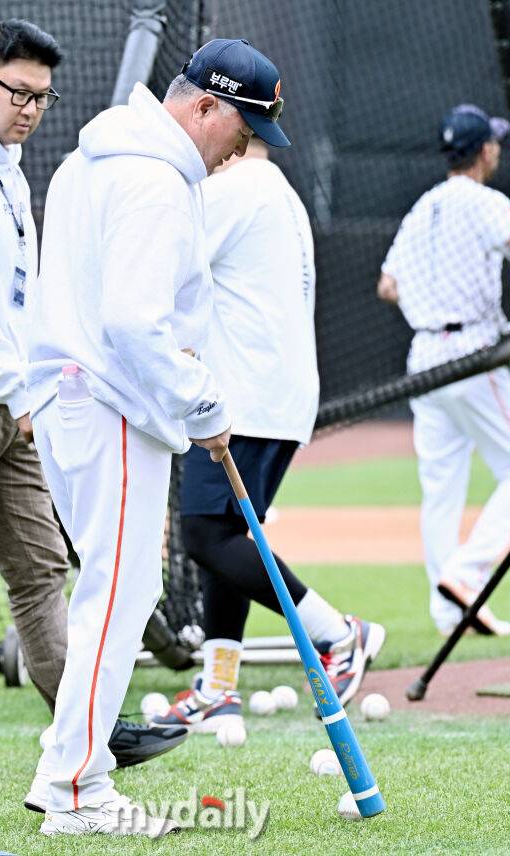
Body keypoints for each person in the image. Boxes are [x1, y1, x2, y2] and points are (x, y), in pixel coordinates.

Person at [0, 18, 184, 786]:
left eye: (43, 98)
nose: (30, 109)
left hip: (8, 402)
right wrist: (22, 390)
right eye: (19, 92)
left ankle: (84, 725)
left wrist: (28, 386)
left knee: (42, 566)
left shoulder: (2, 165)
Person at [25, 38, 291, 838]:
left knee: (113, 593)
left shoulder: (95, 160)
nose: (238, 152)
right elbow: (136, 323)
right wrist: (204, 406)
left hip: (75, 397)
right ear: (203, 106)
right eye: (239, 132)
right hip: (110, 401)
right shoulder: (151, 179)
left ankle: (72, 774)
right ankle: (75, 788)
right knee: (118, 595)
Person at [150, 137, 385, 733]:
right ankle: (217, 687)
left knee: (204, 535)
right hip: (276, 397)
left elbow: (165, 266)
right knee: (228, 538)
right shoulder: (279, 192)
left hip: (244, 398)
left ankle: (339, 633)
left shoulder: (235, 188)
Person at [377, 103, 510, 637]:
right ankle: (468, 574)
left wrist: (428, 299)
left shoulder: (423, 206)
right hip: (473, 350)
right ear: (485, 150)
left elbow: (387, 284)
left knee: (440, 487)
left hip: (424, 356)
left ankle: (448, 609)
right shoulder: (484, 202)